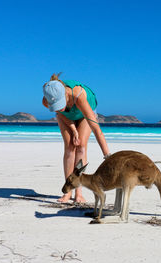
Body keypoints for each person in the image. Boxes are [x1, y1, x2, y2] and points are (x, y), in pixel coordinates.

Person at [42, 73, 111, 203]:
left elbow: (97, 130)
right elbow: (60, 113)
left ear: (65, 95)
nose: (59, 106)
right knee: (69, 147)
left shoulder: (79, 96)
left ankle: (78, 192)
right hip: (66, 118)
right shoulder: (46, 99)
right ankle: (68, 191)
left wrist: (108, 156)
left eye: (60, 102)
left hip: (85, 113)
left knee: (81, 146)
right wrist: (73, 130)